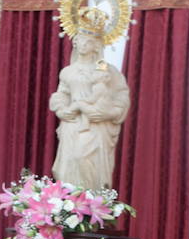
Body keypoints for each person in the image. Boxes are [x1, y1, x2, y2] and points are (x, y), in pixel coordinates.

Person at [49, 24, 130, 191]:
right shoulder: (68, 71)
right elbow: (61, 94)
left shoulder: (107, 70)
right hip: (72, 123)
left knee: (84, 158)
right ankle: (69, 206)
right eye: (79, 40)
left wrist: (109, 113)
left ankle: (93, 203)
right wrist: (62, 109)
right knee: (67, 164)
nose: (82, 44)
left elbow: (121, 96)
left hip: (96, 124)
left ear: (97, 45)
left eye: (88, 41)